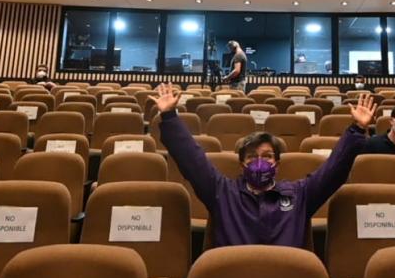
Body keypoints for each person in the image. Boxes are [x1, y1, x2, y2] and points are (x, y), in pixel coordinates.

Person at [155, 83, 376, 247]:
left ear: (277, 164)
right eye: (252, 157)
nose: (260, 162)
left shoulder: (299, 194)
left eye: (267, 156)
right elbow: (192, 160)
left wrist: (356, 129)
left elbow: (333, 170)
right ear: (242, 164)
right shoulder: (222, 192)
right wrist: (169, 117)